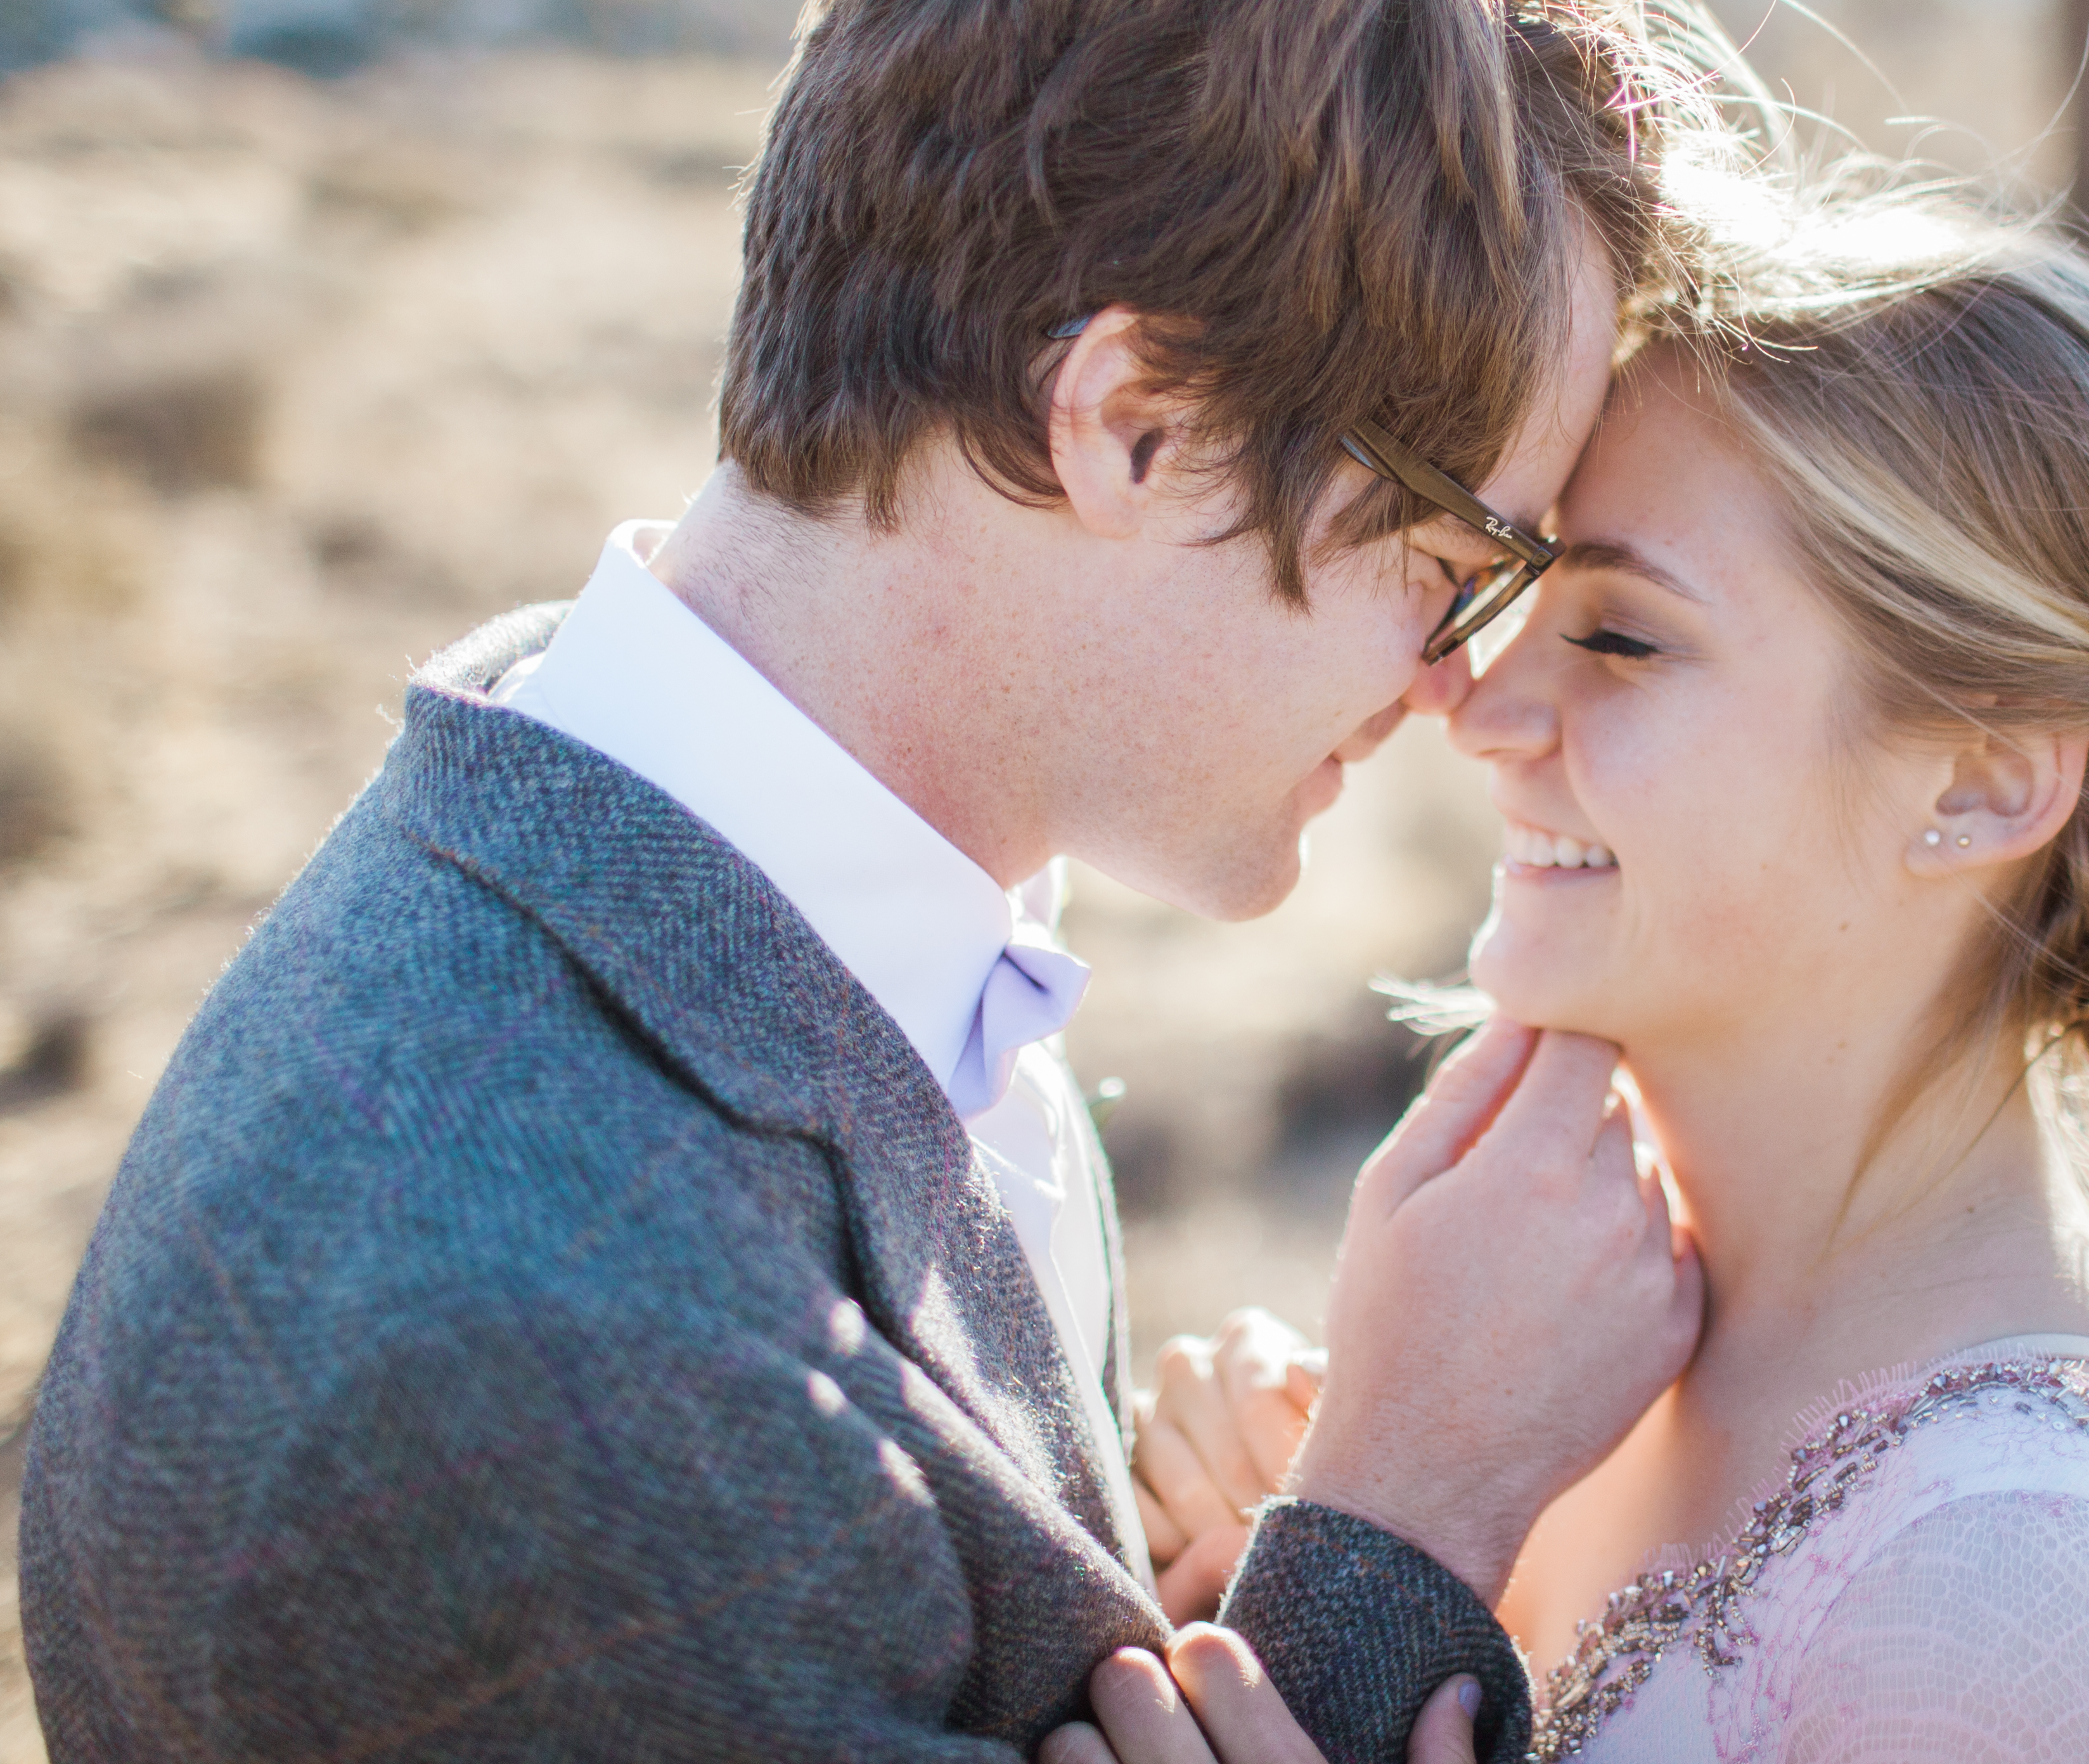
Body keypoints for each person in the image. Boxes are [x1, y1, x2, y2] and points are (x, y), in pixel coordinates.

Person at [15, 2, 1711, 1760]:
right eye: (1452, 557)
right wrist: (1404, 1526)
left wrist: (1199, 1605)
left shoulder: (743, 883)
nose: (1456, 684)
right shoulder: (544, 1364)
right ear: (1136, 427)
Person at [1134, 187, 2089, 1760]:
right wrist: (1311, 1542)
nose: (1476, 715)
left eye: (1619, 638)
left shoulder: (2017, 1598)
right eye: (1521, 601)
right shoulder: (1536, 1337)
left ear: (1973, 781)